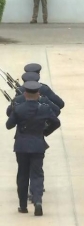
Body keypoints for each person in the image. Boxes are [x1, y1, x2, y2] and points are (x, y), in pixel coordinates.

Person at [6, 81, 61, 216]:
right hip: (37, 144)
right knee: (37, 174)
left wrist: (13, 111)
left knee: (23, 175)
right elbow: (56, 122)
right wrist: (44, 132)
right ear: (38, 94)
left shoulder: (18, 108)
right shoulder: (44, 108)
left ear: (25, 94)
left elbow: (9, 125)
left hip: (21, 146)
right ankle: (38, 201)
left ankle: (23, 206)